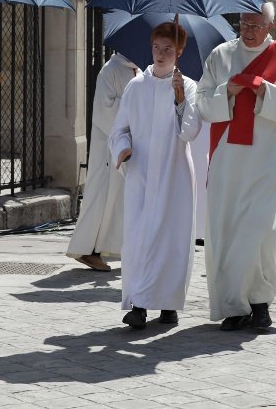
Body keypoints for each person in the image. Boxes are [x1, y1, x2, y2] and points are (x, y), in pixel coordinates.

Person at [196, 3, 276, 331]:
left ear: (270, 27)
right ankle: (233, 306)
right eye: (243, 23)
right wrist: (226, 91)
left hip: (267, 158)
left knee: (263, 230)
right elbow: (202, 102)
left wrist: (264, 90)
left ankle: (259, 302)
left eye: (255, 25)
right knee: (227, 228)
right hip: (227, 155)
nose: (247, 30)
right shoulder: (220, 55)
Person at [110, 22, 201, 329]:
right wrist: (122, 149)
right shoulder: (135, 86)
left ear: (179, 52)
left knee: (170, 238)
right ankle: (138, 304)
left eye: (168, 50)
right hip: (140, 173)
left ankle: (169, 303)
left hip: (173, 175)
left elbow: (189, 131)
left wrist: (179, 100)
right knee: (138, 238)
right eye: (156, 48)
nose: (161, 55)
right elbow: (120, 129)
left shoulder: (187, 86)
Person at [66, 52, 140, 271]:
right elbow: (104, 110)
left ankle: (105, 248)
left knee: (117, 202)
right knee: (100, 198)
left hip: (128, 145)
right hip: (109, 148)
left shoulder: (139, 70)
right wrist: (132, 108)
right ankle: (87, 250)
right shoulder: (110, 70)